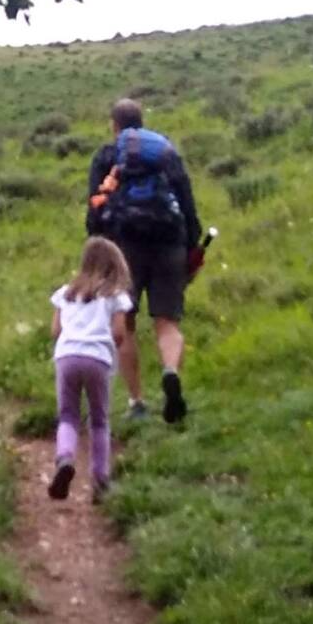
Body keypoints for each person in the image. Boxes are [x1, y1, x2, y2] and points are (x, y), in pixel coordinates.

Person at [85, 96, 203, 426]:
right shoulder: (165, 153)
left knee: (126, 323)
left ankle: (137, 401)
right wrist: (191, 246)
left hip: (125, 246)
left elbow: (94, 207)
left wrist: (97, 248)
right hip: (170, 240)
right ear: (143, 122)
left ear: (114, 125)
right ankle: (170, 374)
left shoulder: (107, 157)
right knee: (168, 322)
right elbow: (187, 202)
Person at [48, 235, 131, 503]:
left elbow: (55, 331)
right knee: (99, 419)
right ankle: (100, 480)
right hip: (97, 359)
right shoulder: (115, 296)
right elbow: (119, 333)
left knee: (68, 415)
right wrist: (109, 346)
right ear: (114, 265)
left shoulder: (66, 293)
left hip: (67, 357)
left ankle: (65, 458)